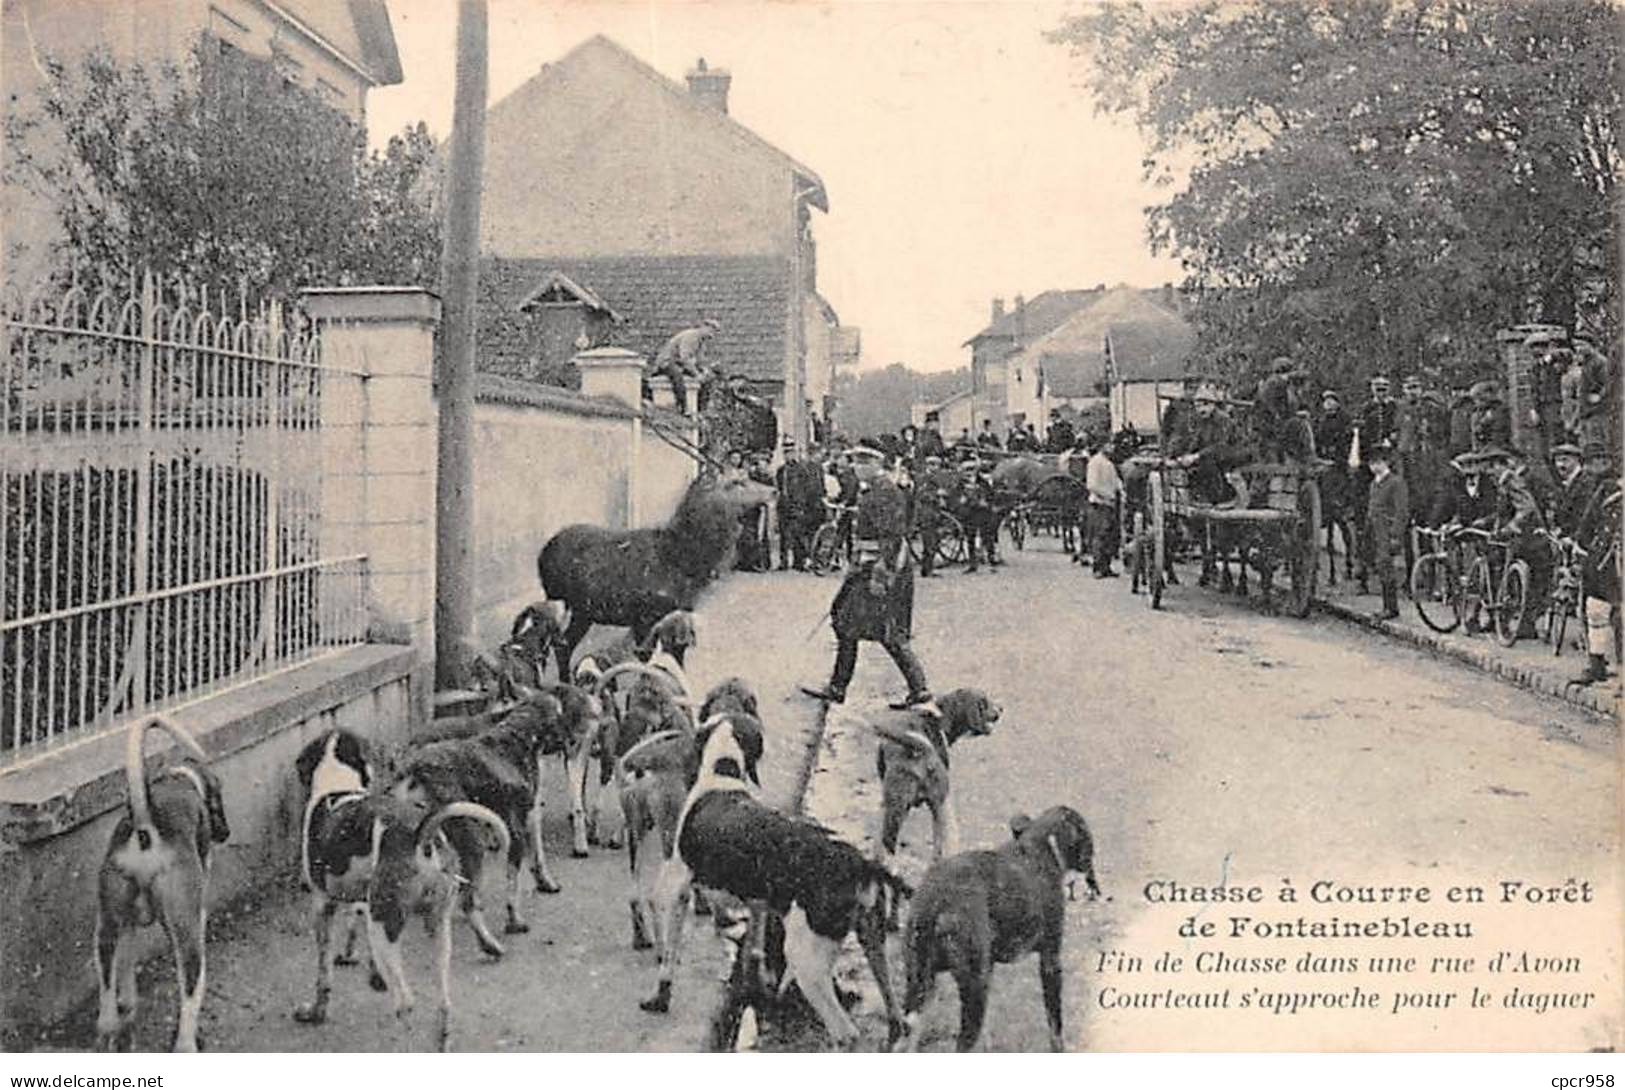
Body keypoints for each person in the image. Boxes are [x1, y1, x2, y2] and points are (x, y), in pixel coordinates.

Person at [800, 454, 931, 708]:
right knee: (846, 623)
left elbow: (892, 537)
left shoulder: (885, 492)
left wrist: (881, 576)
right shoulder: (872, 490)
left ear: (875, 464)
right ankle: (838, 687)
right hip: (866, 569)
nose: (856, 468)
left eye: (862, 463)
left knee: (888, 632)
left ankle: (920, 690)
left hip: (883, 572)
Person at [1571, 476, 1621, 686]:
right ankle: (1597, 664)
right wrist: (1582, 549)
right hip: (1606, 560)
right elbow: (1588, 523)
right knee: (1596, 610)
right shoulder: (1610, 490)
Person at [1365, 440, 1408, 620]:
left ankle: (1391, 608)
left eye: (1379, 462)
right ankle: (1386, 606)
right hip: (1375, 530)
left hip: (1387, 531)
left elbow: (1401, 511)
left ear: (1387, 463)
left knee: (1387, 568)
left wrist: (1395, 536)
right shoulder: (1373, 484)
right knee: (1381, 568)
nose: (1375, 466)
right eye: (1372, 463)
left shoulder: (1396, 482)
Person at [649, 318, 720, 413]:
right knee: (677, 376)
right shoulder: (691, 336)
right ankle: (683, 406)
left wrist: (704, 371)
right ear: (704, 327)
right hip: (668, 362)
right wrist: (696, 374)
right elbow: (685, 358)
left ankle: (701, 408)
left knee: (708, 378)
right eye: (711, 330)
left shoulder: (702, 342)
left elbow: (699, 360)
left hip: (681, 364)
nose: (712, 334)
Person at [1086, 441, 1122, 578]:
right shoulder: (1095, 462)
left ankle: (1106, 567)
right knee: (1099, 536)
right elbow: (1092, 485)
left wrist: (1120, 488)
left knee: (1109, 537)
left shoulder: (1109, 463)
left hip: (1109, 504)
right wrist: (1109, 495)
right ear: (1103, 446)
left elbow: (1116, 481)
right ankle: (1098, 568)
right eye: (1109, 445)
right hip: (1099, 503)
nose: (1112, 447)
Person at [913, 453, 953, 578]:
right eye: (934, 465)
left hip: (933, 512)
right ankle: (927, 570)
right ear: (929, 465)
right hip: (925, 512)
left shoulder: (934, 477)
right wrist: (937, 494)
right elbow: (922, 495)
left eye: (938, 465)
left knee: (933, 542)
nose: (937, 468)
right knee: (929, 543)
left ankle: (927, 568)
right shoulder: (923, 478)